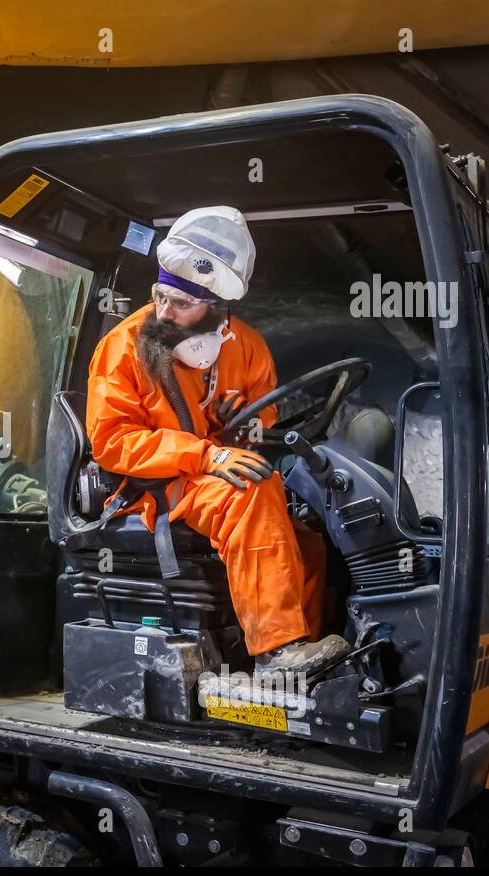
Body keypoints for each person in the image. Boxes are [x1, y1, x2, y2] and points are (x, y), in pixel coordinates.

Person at [86, 206, 349, 677]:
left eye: (181, 303)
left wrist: (239, 427)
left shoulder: (246, 348)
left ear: (215, 306)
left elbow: (262, 417)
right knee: (250, 493)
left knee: (305, 541)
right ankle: (277, 653)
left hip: (211, 473)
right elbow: (112, 441)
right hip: (156, 486)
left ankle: (308, 658)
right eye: (159, 296)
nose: (165, 312)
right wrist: (206, 452)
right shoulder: (124, 346)